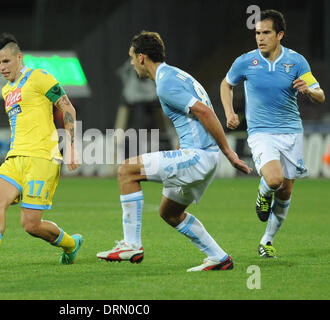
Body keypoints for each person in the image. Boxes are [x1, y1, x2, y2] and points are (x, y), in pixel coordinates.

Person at [97, 31, 251, 272]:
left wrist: (229, 153)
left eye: (130, 57)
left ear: (141, 57)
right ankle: (219, 257)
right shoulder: (175, 75)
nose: (129, 63)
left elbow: (206, 113)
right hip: (201, 156)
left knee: (126, 171)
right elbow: (192, 118)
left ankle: (131, 244)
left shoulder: (166, 83)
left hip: (198, 156)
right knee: (170, 213)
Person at [0, 33, 82, 270]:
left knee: (31, 225)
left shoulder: (39, 77)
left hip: (43, 157)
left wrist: (72, 146)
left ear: (19, 57)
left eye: (6, 61)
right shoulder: (6, 91)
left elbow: (68, 108)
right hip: (14, 158)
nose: (2, 67)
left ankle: (70, 244)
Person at [220, 10, 325, 258]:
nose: (260, 37)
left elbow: (320, 94)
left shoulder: (296, 62)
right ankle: (262, 193)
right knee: (274, 180)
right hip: (261, 132)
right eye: (257, 33)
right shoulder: (245, 61)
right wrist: (229, 112)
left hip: (291, 132)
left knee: (286, 190)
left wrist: (309, 91)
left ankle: (266, 240)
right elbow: (226, 84)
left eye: (266, 32)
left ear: (280, 35)